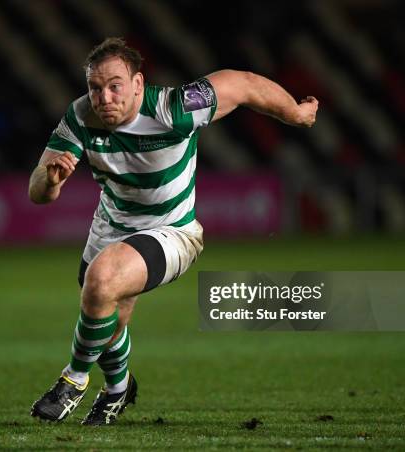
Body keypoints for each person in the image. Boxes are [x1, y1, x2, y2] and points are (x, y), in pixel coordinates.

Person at [29, 37, 318, 425]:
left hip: (173, 231)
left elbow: (242, 83)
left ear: (138, 84)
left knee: (101, 281)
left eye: (115, 85)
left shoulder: (175, 108)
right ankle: (118, 390)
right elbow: (38, 192)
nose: (104, 97)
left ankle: (73, 380)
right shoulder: (80, 116)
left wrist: (295, 115)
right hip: (111, 226)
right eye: (95, 88)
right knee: (105, 311)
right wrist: (52, 181)